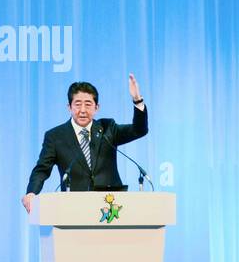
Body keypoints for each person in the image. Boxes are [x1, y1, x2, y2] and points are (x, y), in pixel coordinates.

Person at [22, 75, 148, 212]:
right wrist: (31, 193)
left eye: (88, 104)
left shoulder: (108, 128)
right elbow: (42, 170)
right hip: (74, 209)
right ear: (69, 107)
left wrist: (137, 100)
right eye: (77, 104)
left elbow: (139, 130)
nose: (82, 110)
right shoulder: (55, 136)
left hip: (110, 209)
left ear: (96, 107)